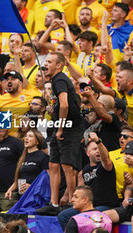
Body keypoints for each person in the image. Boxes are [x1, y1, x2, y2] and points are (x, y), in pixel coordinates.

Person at [37, 52, 85, 216]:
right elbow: (61, 105)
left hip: (69, 127)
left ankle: (73, 202)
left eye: (49, 61)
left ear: (59, 65)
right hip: (62, 124)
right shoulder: (56, 80)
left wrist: (60, 128)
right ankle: (54, 203)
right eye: (46, 61)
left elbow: (64, 105)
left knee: (66, 165)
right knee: (53, 165)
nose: (46, 64)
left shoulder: (60, 79)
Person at [5, 129, 49, 198]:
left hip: (36, 196)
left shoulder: (43, 157)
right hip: (22, 196)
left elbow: (47, 181)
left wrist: (31, 186)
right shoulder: (22, 157)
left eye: (30, 136)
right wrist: (9, 190)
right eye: (25, 136)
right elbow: (17, 181)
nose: (26, 138)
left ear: (37, 141)